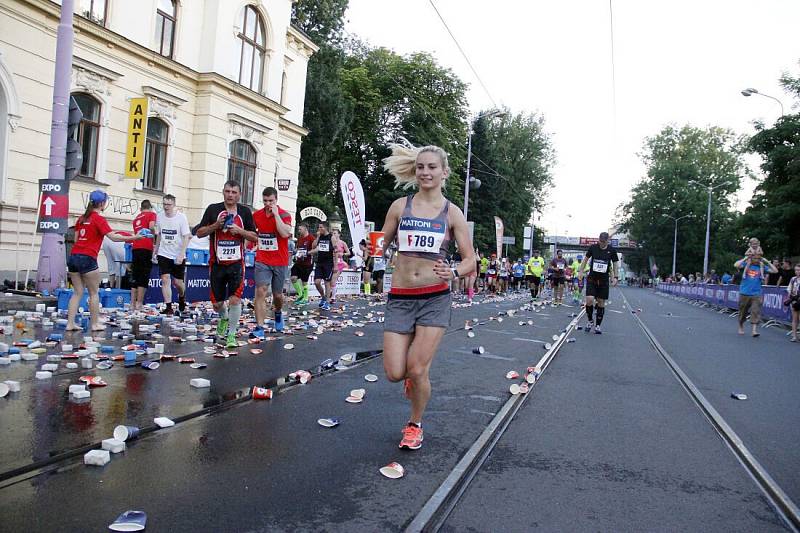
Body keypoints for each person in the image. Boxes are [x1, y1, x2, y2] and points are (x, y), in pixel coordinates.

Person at [380, 141, 474, 450]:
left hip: (435, 298)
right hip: (401, 296)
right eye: (421, 167)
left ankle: (414, 424)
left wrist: (456, 272)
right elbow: (383, 245)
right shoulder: (399, 206)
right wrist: (373, 249)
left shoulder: (452, 213)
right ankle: (412, 378)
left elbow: (470, 259)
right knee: (396, 372)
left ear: (444, 172)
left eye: (432, 167)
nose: (425, 172)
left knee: (418, 368)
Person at [66, 190, 143, 331]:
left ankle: (70, 323)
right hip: (88, 258)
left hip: (74, 257)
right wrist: (135, 237)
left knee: (77, 292)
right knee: (93, 292)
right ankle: (95, 324)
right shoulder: (99, 219)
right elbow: (113, 237)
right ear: (102, 203)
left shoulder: (81, 219)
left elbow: (76, 240)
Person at [195, 181, 257, 349]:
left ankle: (231, 334)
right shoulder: (213, 209)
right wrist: (216, 226)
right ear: (223, 192)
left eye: (234, 192)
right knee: (217, 305)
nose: (230, 195)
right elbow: (199, 233)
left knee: (235, 300)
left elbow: (255, 237)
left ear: (239, 194)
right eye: (228, 191)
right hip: (217, 263)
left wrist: (240, 231)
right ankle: (223, 317)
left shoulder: (245, 212)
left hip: (237, 264)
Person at [252, 187, 292, 333]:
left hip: (280, 261)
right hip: (262, 259)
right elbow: (252, 233)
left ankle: (278, 312)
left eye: (271, 201)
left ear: (276, 200)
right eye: (265, 201)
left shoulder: (284, 215)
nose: (268, 204)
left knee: (277, 295)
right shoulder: (256, 215)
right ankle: (260, 327)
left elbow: (284, 233)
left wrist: (276, 216)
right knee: (261, 291)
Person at [153, 195, 191, 315]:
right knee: (165, 279)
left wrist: (182, 253)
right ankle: (168, 306)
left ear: (174, 205)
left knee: (178, 283)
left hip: (177, 254)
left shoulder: (181, 218)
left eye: (168, 205)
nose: (166, 207)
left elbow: (186, 236)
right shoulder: (159, 216)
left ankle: (182, 296)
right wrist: (155, 249)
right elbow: (159, 234)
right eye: (164, 204)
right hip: (163, 252)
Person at [577, 232, 619, 334]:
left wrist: (615, 277)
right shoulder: (593, 247)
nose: (601, 244)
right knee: (589, 299)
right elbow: (585, 260)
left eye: (604, 242)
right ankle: (590, 320)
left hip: (604, 280)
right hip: (592, 278)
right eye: (600, 241)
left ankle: (598, 325)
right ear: (598, 240)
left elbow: (615, 264)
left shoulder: (612, 250)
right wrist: (581, 272)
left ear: (607, 241)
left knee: (601, 302)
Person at [734, 250, 778, 337]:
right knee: (743, 313)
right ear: (751, 258)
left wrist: (766, 261)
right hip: (745, 292)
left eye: (758, 258)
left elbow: (775, 271)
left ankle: (754, 330)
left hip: (756, 293)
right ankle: (741, 326)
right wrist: (746, 258)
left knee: (755, 311)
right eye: (755, 258)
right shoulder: (746, 264)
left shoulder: (761, 266)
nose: (757, 260)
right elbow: (736, 265)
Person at [129, 200, 157, 310]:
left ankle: (132, 304)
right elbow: (151, 226)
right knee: (144, 275)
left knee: (135, 274)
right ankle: (139, 303)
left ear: (141, 208)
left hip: (136, 247)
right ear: (150, 207)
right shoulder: (151, 214)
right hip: (146, 247)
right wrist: (155, 235)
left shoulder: (136, 218)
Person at [311, 222, 335, 310]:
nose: (319, 229)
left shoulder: (331, 237)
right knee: (317, 282)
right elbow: (313, 246)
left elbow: (335, 251)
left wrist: (335, 265)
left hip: (328, 263)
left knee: (327, 283)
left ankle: (327, 302)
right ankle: (323, 297)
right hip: (320, 262)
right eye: (319, 227)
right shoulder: (320, 237)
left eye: (321, 227)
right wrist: (317, 237)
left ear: (325, 228)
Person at [290, 223, 315, 305]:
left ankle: (305, 298)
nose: (299, 231)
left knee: (304, 282)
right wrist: (296, 253)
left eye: (300, 229)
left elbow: (316, 249)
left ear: (305, 229)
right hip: (298, 262)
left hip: (307, 263)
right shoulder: (300, 238)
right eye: (299, 229)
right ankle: (300, 295)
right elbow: (297, 249)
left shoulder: (311, 238)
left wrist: (308, 253)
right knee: (293, 278)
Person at [330, 228, 350, 303]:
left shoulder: (342, 243)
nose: (333, 235)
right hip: (330, 262)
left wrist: (343, 254)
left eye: (335, 233)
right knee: (328, 281)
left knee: (333, 280)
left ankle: (333, 297)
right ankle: (330, 294)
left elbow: (349, 253)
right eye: (332, 233)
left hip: (339, 263)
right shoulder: (330, 242)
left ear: (339, 234)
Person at [785, 264, 800, 342]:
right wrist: (789, 299)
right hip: (794, 301)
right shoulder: (793, 279)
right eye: (796, 270)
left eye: (798, 270)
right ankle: (794, 336)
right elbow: (789, 289)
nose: (797, 272)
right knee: (794, 319)